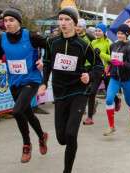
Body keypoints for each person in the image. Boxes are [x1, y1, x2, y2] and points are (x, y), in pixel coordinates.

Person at [38, 7, 103, 173]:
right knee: (61, 138)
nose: (64, 23)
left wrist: (89, 75)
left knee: (71, 134)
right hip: (60, 92)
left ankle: (67, 170)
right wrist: (44, 82)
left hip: (78, 92)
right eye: (61, 19)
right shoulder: (52, 42)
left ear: (75, 23)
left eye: (67, 20)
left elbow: (98, 66)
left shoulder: (83, 45)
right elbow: (46, 63)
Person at [0, 8, 48, 163]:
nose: (7, 23)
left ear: (18, 22)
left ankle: (26, 144)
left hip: (31, 80)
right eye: (5, 21)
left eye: (11, 20)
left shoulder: (31, 36)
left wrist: (44, 61)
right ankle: (42, 136)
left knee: (17, 111)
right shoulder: (2, 39)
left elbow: (49, 47)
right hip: (14, 82)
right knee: (27, 113)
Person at [104, 24, 130, 136]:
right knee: (108, 99)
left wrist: (122, 63)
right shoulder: (113, 45)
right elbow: (112, 59)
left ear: (127, 34)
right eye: (118, 33)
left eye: (122, 33)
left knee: (129, 101)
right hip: (114, 78)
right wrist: (109, 65)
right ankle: (111, 126)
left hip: (126, 79)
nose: (120, 35)